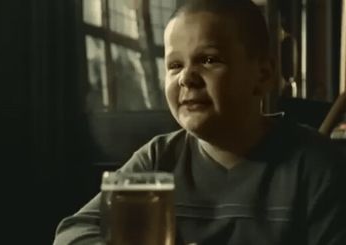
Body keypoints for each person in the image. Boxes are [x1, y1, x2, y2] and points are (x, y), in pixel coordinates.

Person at [53, 0, 346, 244]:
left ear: (263, 75)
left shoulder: (318, 167)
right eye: (175, 65)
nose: (186, 77)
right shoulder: (159, 158)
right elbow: (71, 234)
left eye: (208, 60)